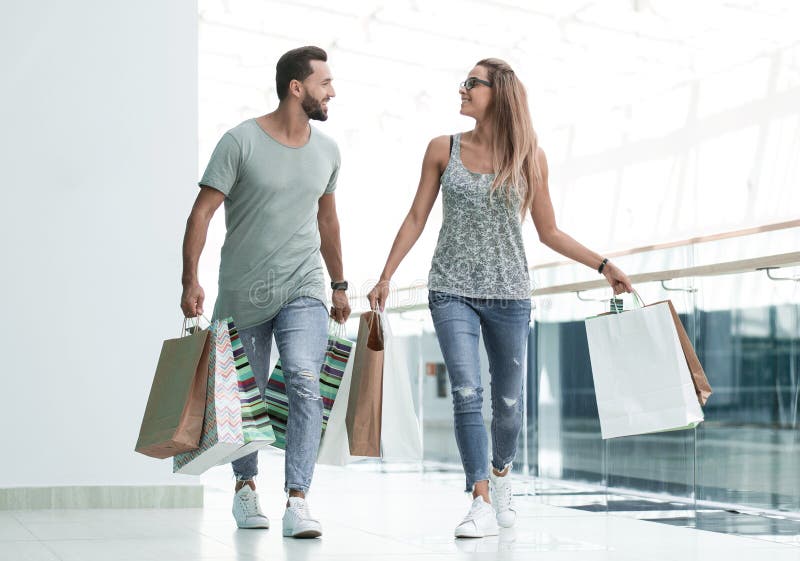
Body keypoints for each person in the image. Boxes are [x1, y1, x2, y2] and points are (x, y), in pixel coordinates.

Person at [367, 58, 633, 539]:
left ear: (500, 92)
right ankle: (479, 498)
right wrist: (386, 275)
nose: (462, 89)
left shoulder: (530, 157)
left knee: (508, 404)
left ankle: (502, 471)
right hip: (450, 290)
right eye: (463, 82)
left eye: (472, 83)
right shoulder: (441, 149)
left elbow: (549, 231)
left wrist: (602, 264)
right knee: (467, 393)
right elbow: (415, 218)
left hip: (509, 296)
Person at [181, 46, 351, 538]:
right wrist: (190, 279)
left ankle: (298, 498)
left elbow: (328, 220)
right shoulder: (240, 142)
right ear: (296, 88)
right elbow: (201, 214)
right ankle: (245, 487)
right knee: (246, 397)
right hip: (244, 289)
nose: (332, 92)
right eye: (325, 83)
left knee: (302, 377)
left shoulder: (328, 150)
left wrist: (339, 284)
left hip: (304, 285)